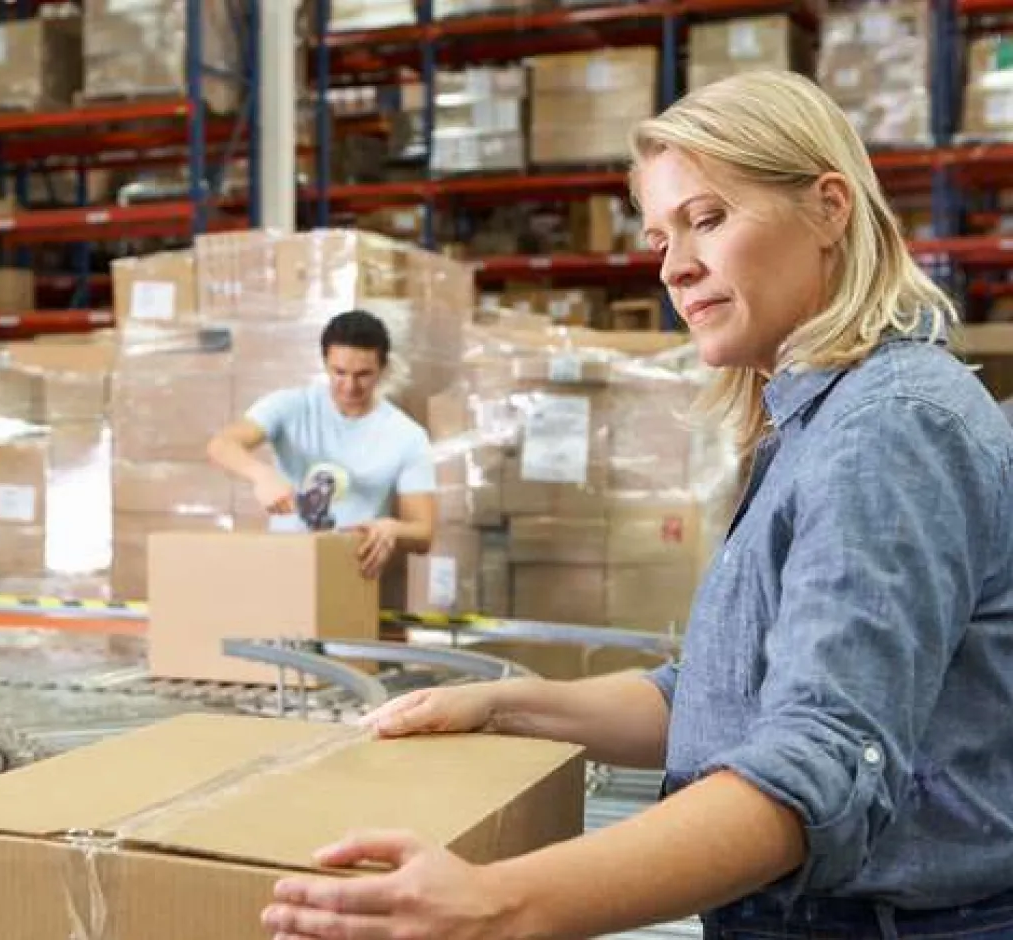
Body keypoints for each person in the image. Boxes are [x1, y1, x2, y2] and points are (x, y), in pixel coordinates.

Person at [260, 70, 1013, 940]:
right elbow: (717, 696)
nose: (675, 265)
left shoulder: (888, 427)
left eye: (709, 219)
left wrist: (496, 908)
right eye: (659, 237)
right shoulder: (818, 418)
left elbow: (820, 764)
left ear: (830, 208)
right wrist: (505, 703)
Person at [207, 309, 436, 579]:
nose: (350, 386)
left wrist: (392, 529)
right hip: (282, 569)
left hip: (352, 574)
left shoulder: (407, 436)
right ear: (325, 362)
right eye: (339, 372)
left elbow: (423, 533)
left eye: (363, 374)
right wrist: (263, 476)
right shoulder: (290, 406)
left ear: (383, 368)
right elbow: (221, 445)